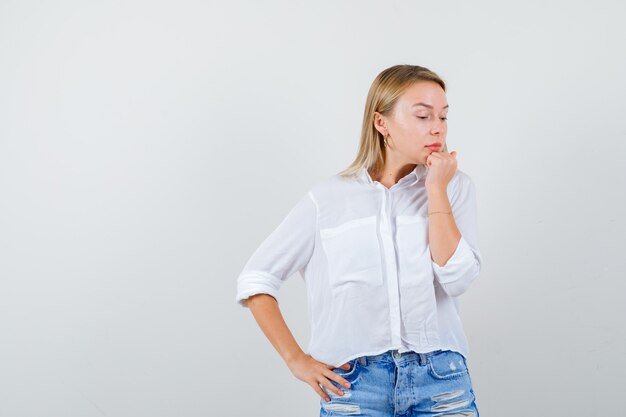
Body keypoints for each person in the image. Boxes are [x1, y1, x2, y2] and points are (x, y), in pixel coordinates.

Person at [235, 64, 483, 417]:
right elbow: (257, 278)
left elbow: (456, 278)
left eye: (443, 117)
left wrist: (436, 190)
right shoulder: (328, 199)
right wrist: (296, 360)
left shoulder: (454, 187)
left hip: (440, 380)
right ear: (382, 123)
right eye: (423, 116)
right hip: (355, 386)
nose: (437, 129)